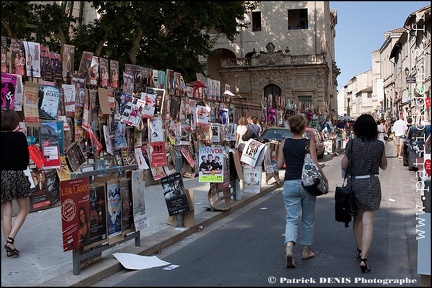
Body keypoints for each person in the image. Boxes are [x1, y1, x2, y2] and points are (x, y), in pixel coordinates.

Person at [276, 114, 328, 268]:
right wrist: (324, 179)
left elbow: (279, 165)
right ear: (304, 127)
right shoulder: (308, 142)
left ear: (291, 128)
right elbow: (315, 163)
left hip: (290, 183)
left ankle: (289, 248)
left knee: (292, 218)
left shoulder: (284, 143)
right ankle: (306, 250)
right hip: (307, 184)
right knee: (308, 217)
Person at [341, 114, 387, 274]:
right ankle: (365, 258)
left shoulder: (352, 144)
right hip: (371, 183)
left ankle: (360, 249)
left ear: (357, 128)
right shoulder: (379, 145)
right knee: (369, 223)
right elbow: (384, 166)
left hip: (355, 184)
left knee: (358, 219)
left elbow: (344, 164)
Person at [1, 109, 31, 257]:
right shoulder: (20, 137)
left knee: (6, 212)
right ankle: (10, 240)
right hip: (17, 175)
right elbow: (25, 161)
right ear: (14, 122)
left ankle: (10, 248)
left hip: (1, 176)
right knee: (24, 209)